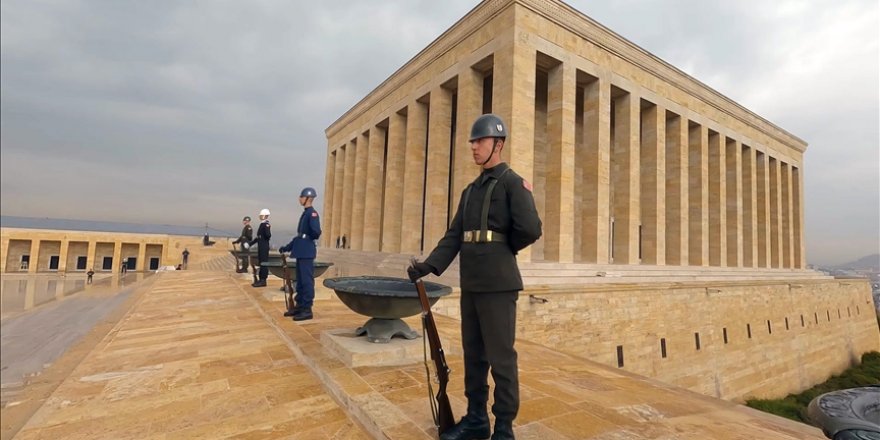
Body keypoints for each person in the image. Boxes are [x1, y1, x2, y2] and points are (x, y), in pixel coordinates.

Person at [408, 114, 542, 440]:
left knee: (501, 359)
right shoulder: (469, 191)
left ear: (498, 144)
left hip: (498, 284)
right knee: (474, 355)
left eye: (479, 141)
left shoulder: (513, 183)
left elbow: (530, 228)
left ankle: (504, 429)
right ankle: (476, 420)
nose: (473, 146)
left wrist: (501, 250)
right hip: (472, 283)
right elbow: (454, 235)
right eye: (472, 141)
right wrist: (428, 265)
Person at [279, 187, 322, 321]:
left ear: (308, 198)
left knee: (307, 281)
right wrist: (286, 248)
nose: (300, 199)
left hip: (306, 251)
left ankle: (307, 309)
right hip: (301, 250)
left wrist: (307, 238)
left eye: (302, 197)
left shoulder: (312, 214)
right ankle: (299, 306)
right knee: (300, 281)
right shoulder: (305, 214)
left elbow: (316, 232)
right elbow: (299, 237)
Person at [247, 208, 272, 287]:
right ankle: (261, 279)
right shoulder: (262, 224)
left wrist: (263, 239)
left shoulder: (266, 224)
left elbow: (268, 235)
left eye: (261, 215)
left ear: (265, 216)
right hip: (261, 246)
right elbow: (258, 237)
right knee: (261, 263)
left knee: (264, 263)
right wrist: (250, 244)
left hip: (264, 246)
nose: (260, 216)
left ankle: (263, 280)